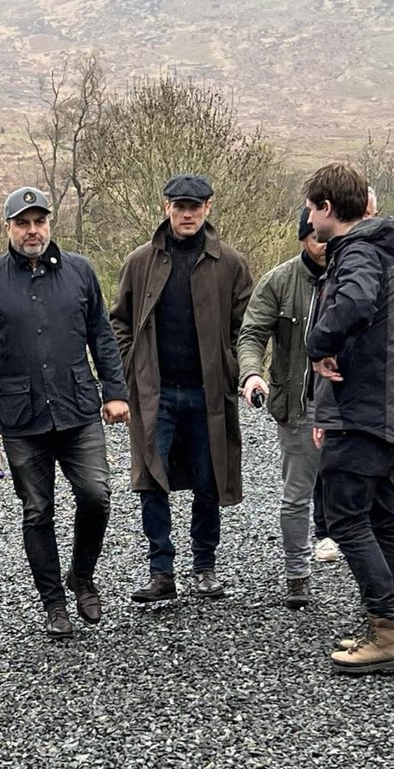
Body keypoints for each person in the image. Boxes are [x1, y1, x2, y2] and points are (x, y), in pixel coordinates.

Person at [0, 186, 130, 639]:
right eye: (23, 223)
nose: (32, 230)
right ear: (9, 227)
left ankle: (82, 576)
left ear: (49, 224)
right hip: (21, 417)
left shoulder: (80, 271)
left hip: (78, 409)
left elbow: (102, 336)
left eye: (39, 221)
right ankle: (54, 602)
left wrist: (115, 391)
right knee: (37, 511)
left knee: (96, 495)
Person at [110, 174, 252, 602]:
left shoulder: (230, 263)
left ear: (209, 208)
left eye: (195, 206)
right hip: (155, 392)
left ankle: (205, 566)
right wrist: (130, 366)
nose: (187, 213)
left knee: (210, 479)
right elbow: (118, 319)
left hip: (209, 393)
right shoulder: (141, 261)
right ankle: (161, 571)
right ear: (166, 207)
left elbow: (244, 327)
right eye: (179, 205)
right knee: (151, 478)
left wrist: (232, 369)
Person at [304, 163, 394, 674]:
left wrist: (317, 345)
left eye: (311, 207)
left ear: (327, 208)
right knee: (383, 517)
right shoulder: (383, 251)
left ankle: (388, 629)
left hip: (360, 410)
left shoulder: (360, 252)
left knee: (347, 517)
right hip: (384, 408)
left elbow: (353, 304)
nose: (309, 217)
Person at [237, 208, 326, 609]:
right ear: (303, 238)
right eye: (317, 239)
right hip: (298, 405)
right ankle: (297, 574)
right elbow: (252, 334)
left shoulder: (353, 276)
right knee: (297, 495)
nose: (325, 246)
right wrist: (252, 375)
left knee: (357, 492)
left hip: (348, 405)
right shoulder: (279, 281)